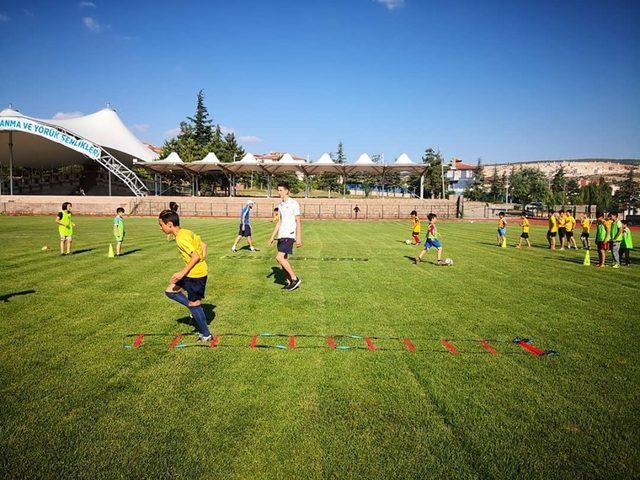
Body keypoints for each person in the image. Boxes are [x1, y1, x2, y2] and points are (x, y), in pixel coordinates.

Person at [158, 209, 212, 342]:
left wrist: (182, 273)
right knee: (170, 291)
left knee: (194, 303)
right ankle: (193, 308)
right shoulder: (186, 232)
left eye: (161, 225)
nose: (161, 228)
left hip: (195, 274)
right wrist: (202, 257)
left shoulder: (181, 238)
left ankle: (206, 334)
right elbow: (203, 245)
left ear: (169, 224)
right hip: (192, 271)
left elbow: (195, 256)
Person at [268, 182, 302, 291]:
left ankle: (295, 278)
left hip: (289, 234)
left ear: (287, 191)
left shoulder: (294, 203)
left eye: (281, 190)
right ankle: (289, 282)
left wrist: (299, 238)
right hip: (281, 235)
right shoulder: (280, 205)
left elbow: (298, 221)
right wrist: (272, 237)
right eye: (278, 190)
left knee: (279, 257)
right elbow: (279, 222)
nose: (279, 192)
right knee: (283, 259)